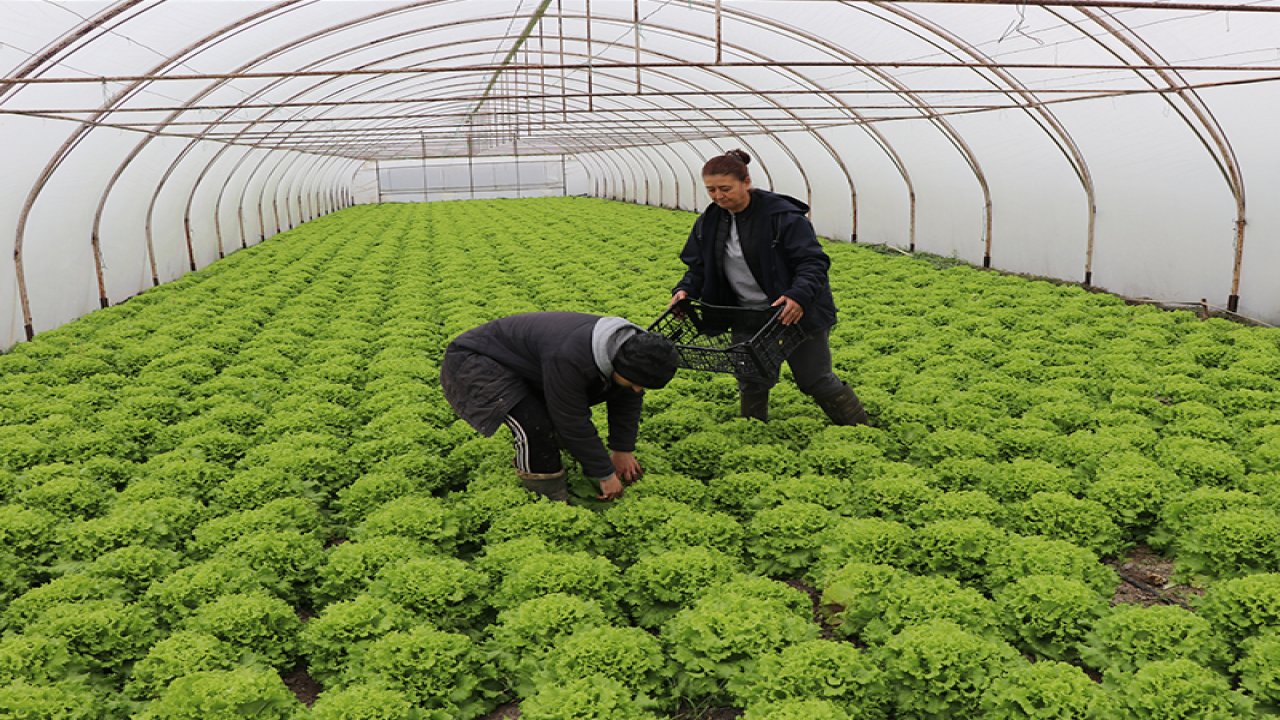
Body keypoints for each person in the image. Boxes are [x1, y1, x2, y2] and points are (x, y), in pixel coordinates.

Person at [670, 149, 868, 425]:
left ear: (746, 182)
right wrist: (685, 290)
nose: (718, 196)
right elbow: (699, 267)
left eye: (725, 188)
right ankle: (753, 431)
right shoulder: (710, 221)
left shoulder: (782, 217)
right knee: (751, 379)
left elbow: (812, 262)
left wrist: (797, 296)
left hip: (794, 313)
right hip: (748, 314)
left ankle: (859, 427)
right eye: (711, 190)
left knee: (815, 379)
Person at [440, 311, 680, 502]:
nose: (639, 389)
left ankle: (546, 468)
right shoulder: (571, 357)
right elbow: (572, 419)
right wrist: (605, 474)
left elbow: (626, 397)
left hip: (525, 365)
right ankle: (543, 494)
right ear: (619, 366)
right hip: (475, 361)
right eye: (636, 383)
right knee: (534, 426)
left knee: (557, 421)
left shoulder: (631, 350)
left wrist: (622, 449)